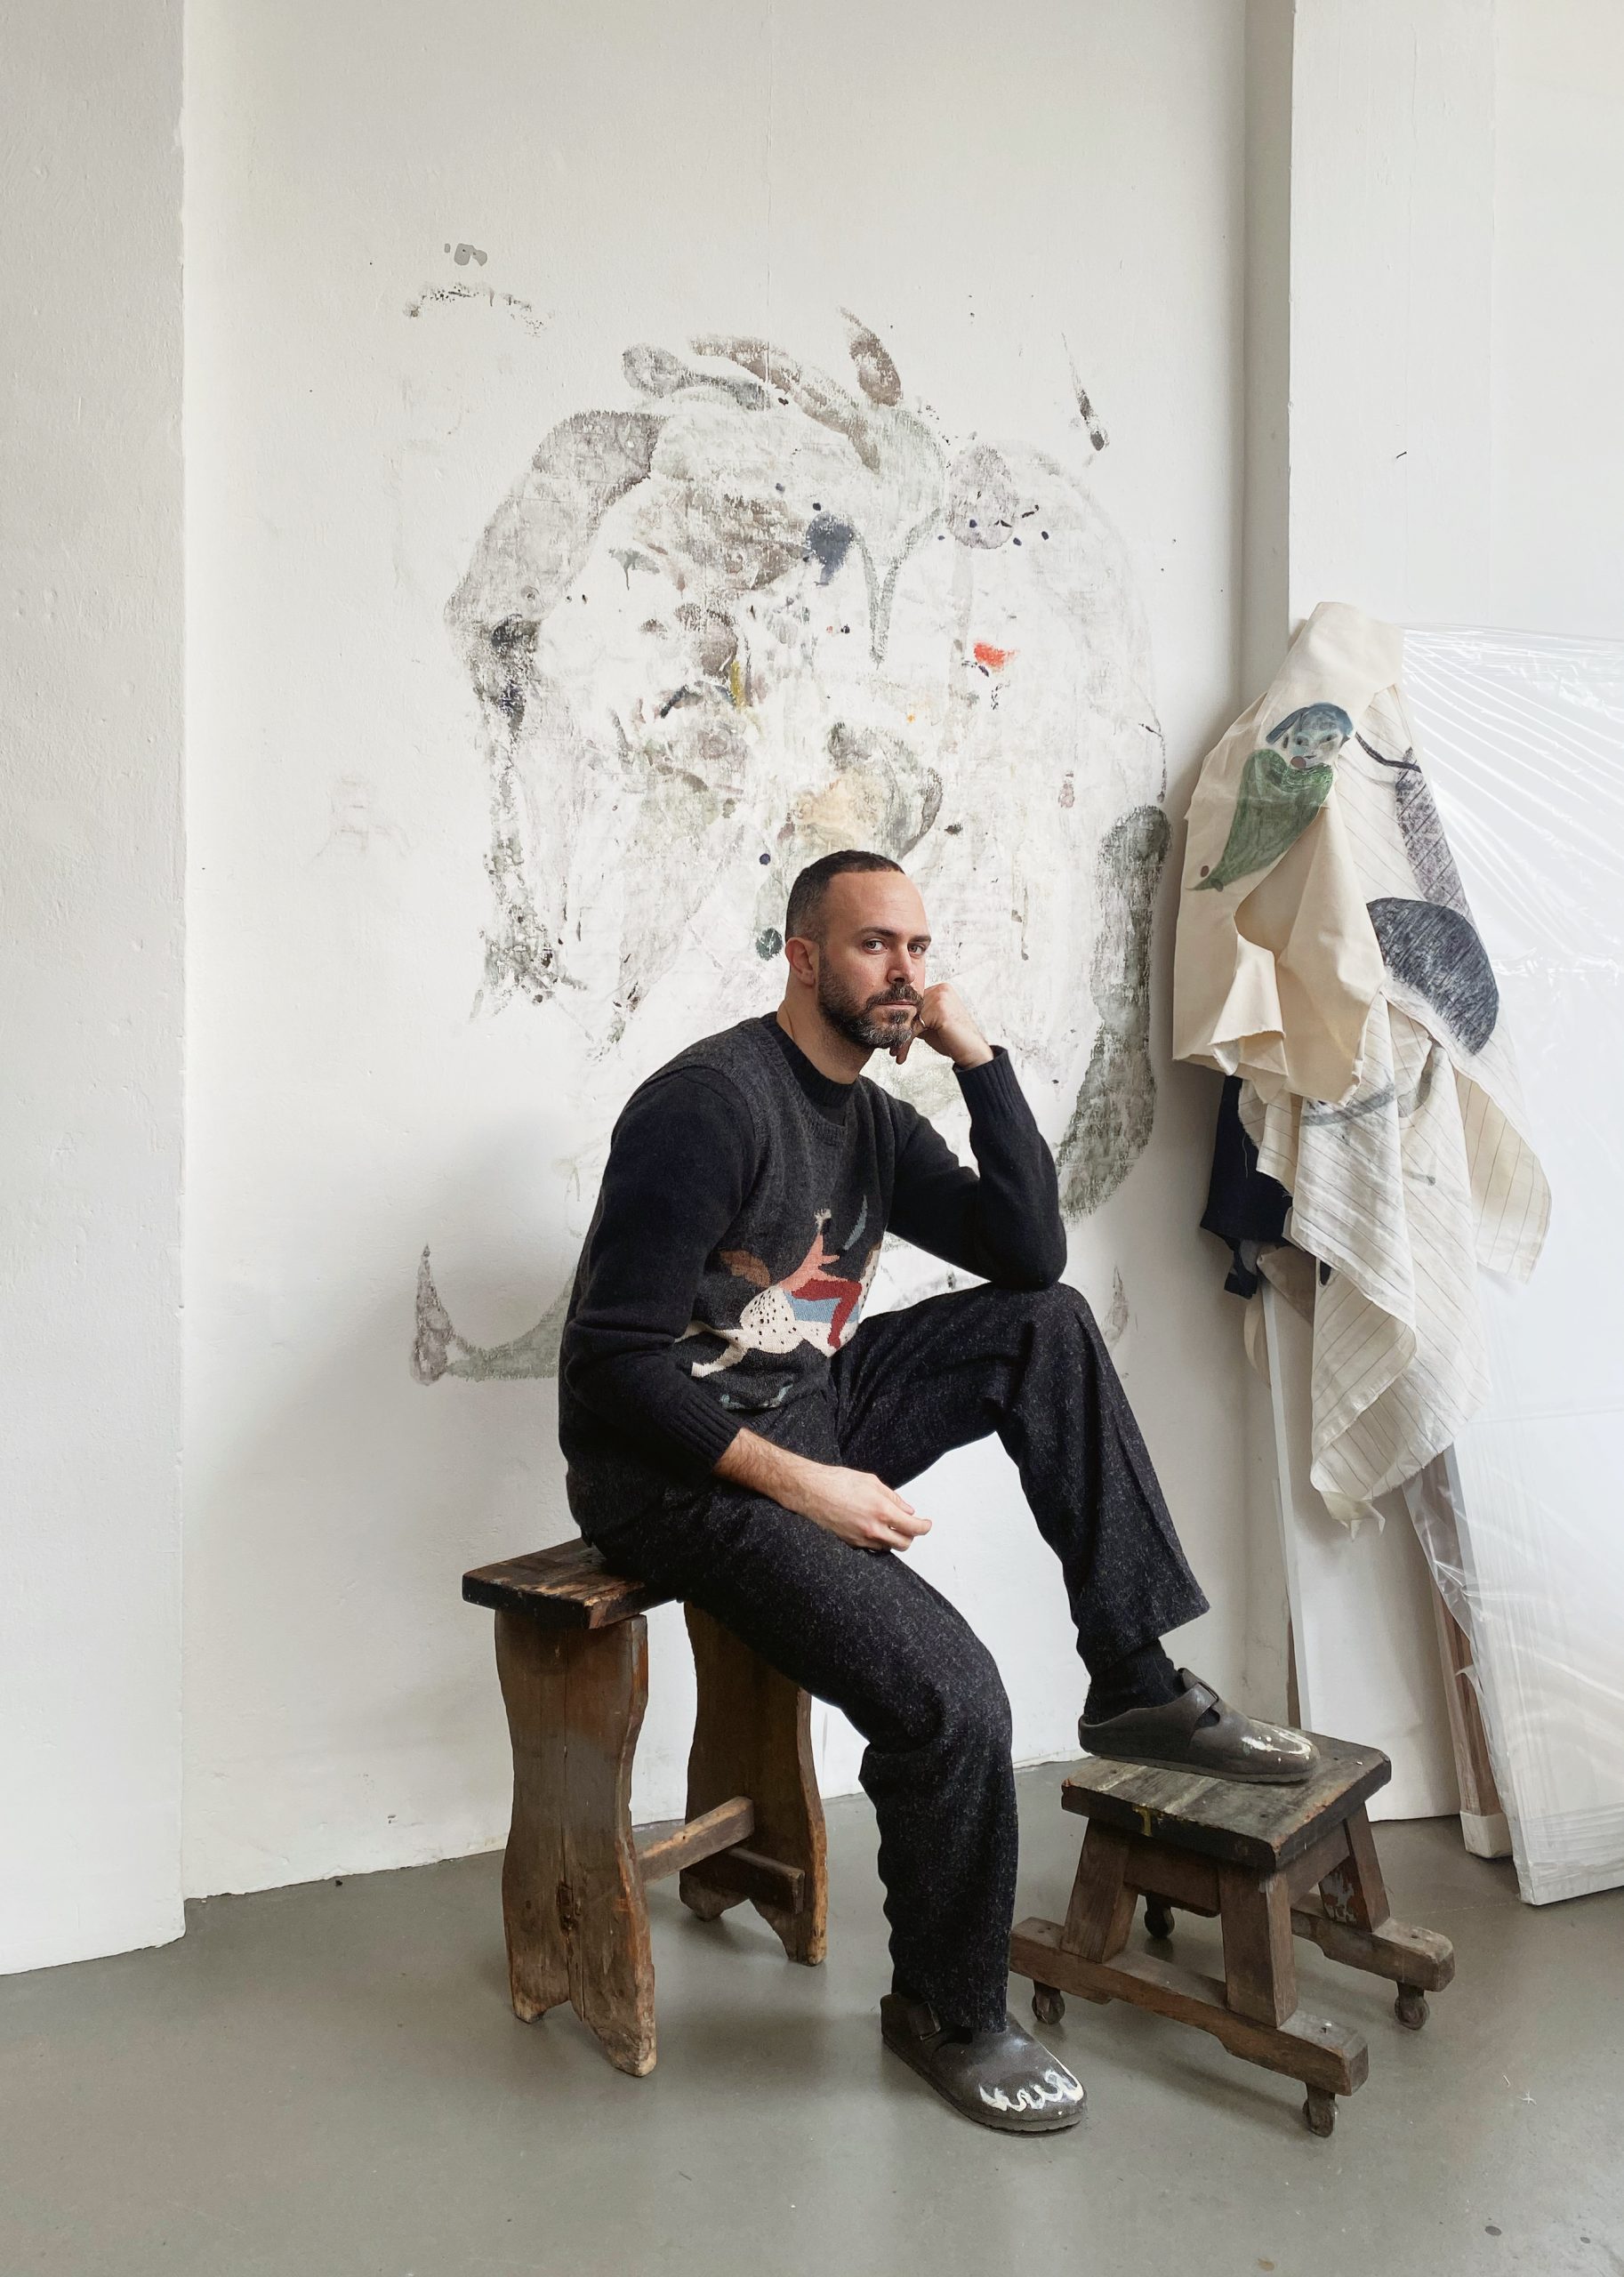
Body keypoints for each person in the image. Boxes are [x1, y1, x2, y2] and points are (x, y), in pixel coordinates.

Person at [558, 848, 1315, 2135]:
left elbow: (1024, 1255)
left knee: (1047, 1323)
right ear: (802, 957)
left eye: (915, 946)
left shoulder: (869, 1118)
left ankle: (1131, 1682)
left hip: (806, 1406)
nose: (901, 969)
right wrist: (804, 1487)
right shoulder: (709, 1107)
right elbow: (612, 1365)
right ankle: (948, 2012)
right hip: (670, 1474)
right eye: (870, 946)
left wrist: (981, 1063)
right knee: (953, 1698)